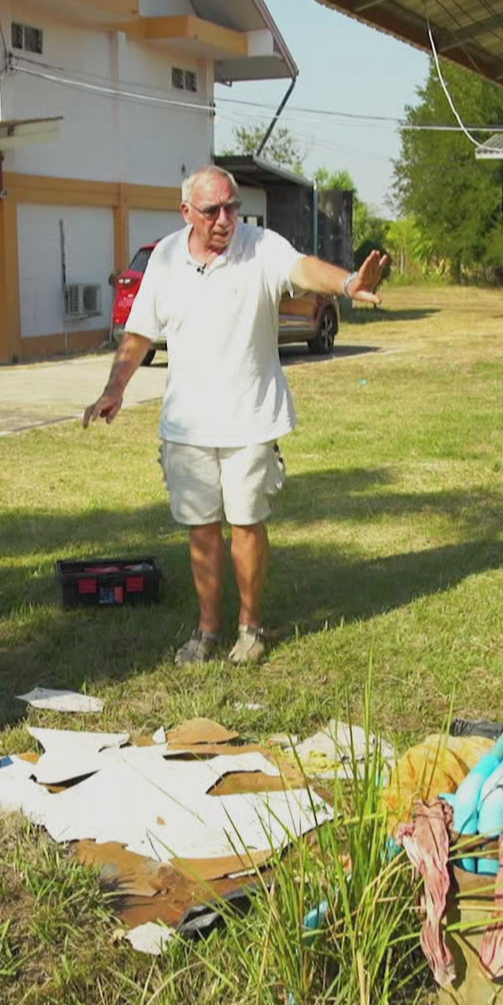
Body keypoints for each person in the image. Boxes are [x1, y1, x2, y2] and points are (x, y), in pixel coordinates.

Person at [82, 165, 387, 665]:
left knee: (246, 523)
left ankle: (251, 625)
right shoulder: (163, 258)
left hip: (251, 417)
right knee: (200, 528)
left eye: (232, 206)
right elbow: (138, 333)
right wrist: (115, 387)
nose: (226, 219)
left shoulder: (260, 245)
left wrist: (349, 282)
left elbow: (304, 269)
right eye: (212, 211)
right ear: (187, 213)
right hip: (187, 424)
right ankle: (207, 630)